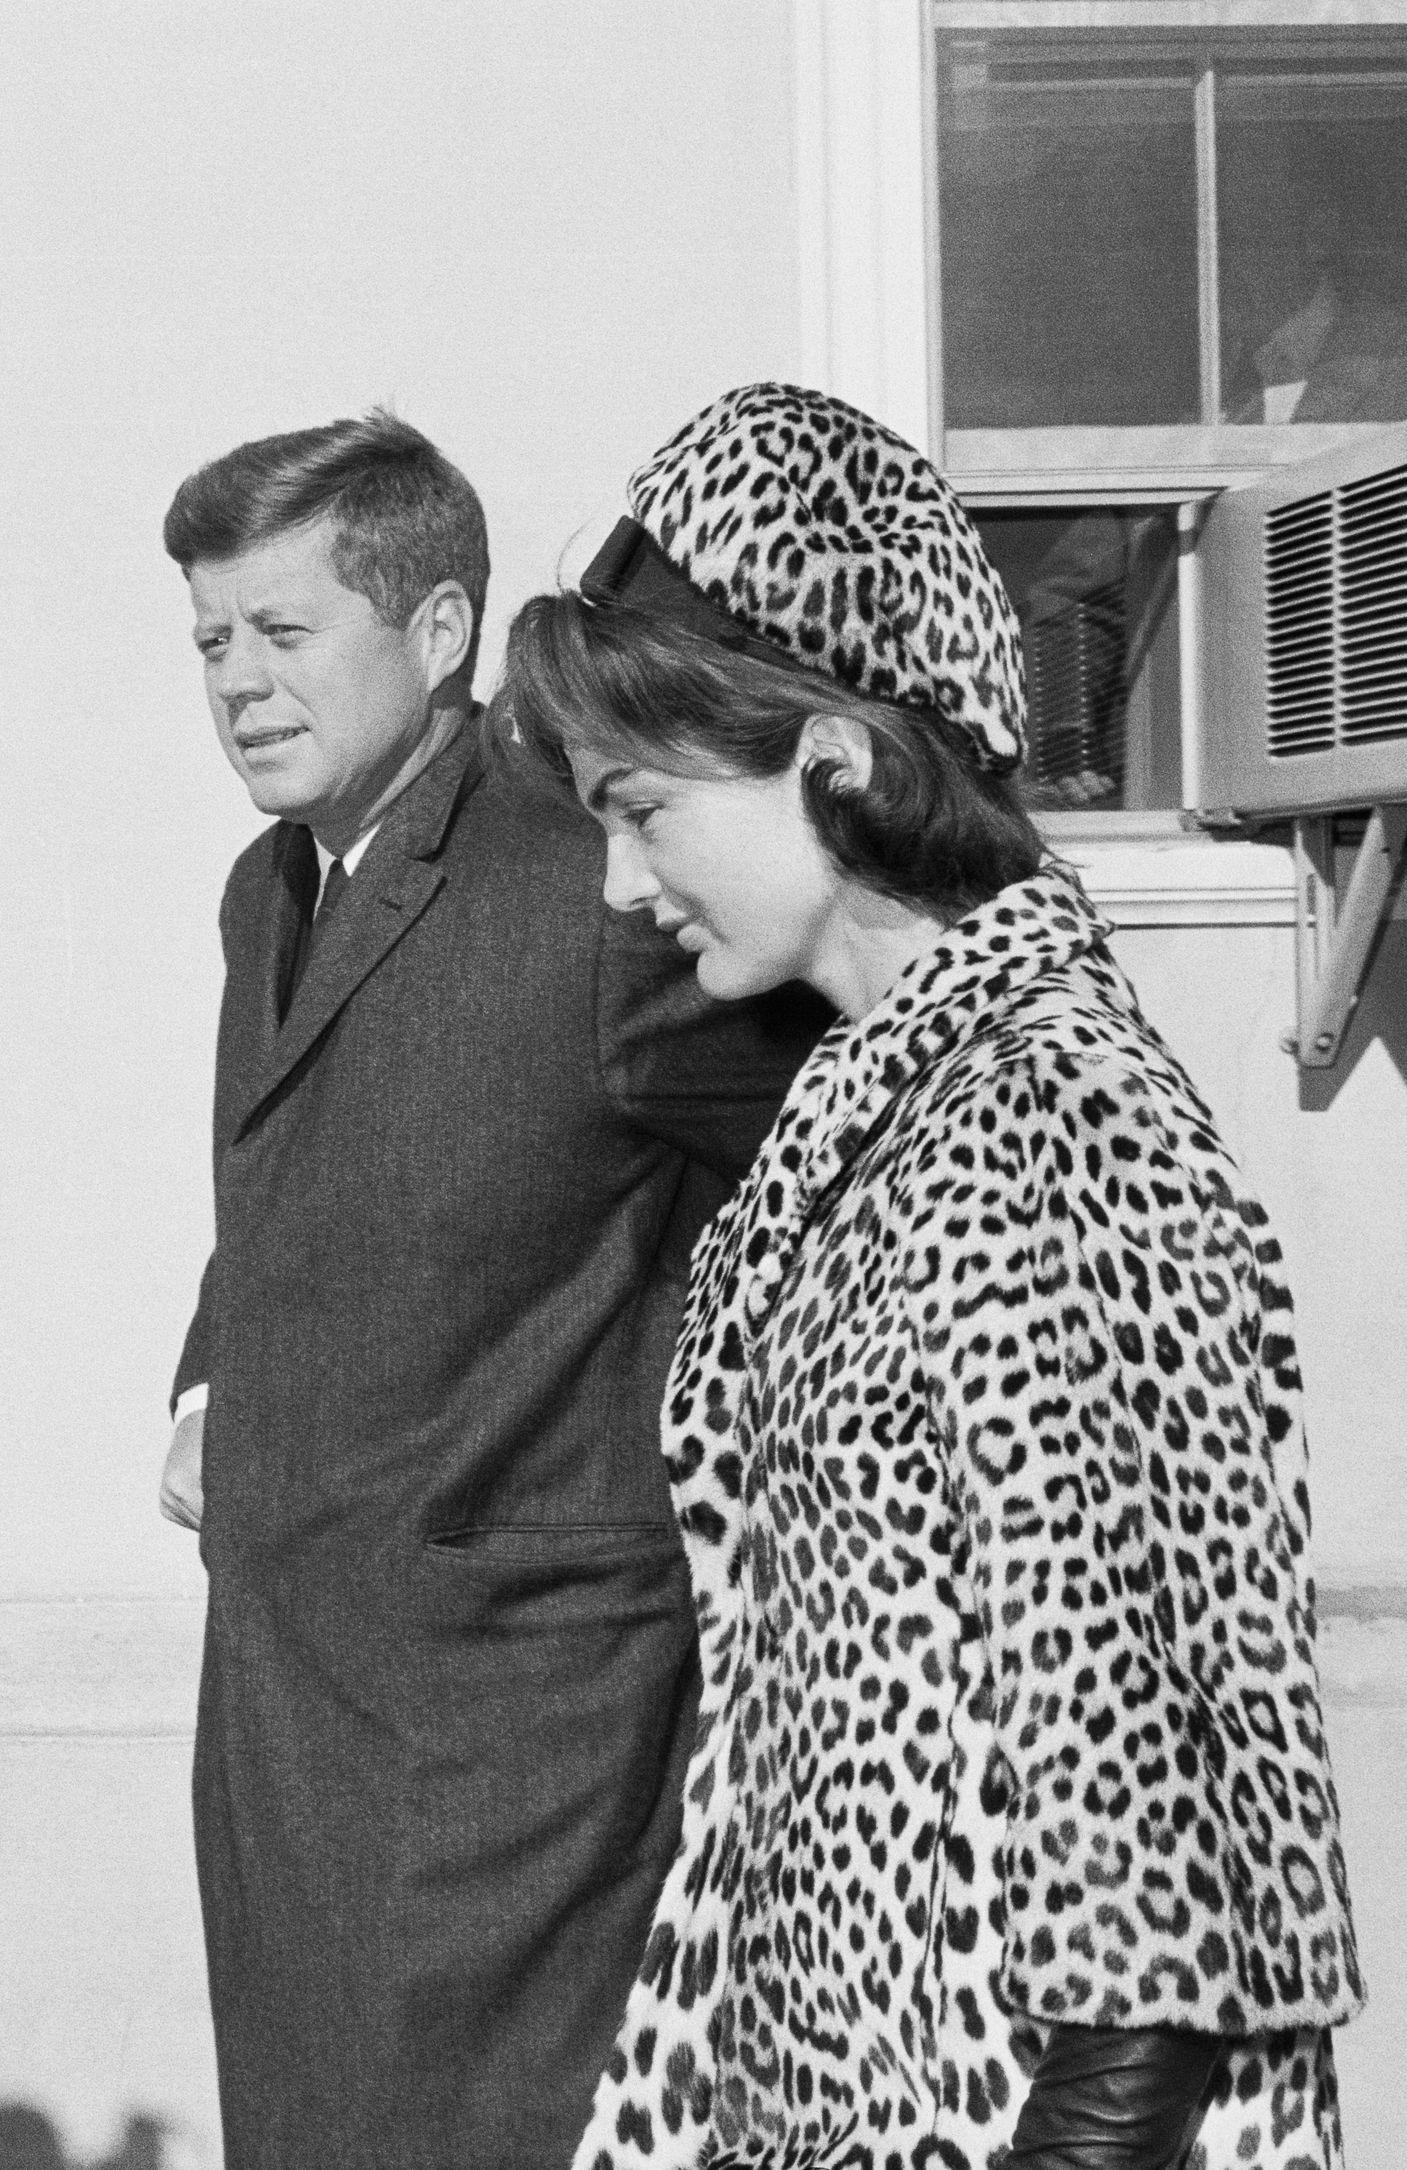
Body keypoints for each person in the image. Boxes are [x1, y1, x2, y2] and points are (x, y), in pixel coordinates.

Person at [494, 383, 1365, 2170]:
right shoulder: (881, 1112)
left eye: (644, 808)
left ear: (838, 760)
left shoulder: (1054, 1117)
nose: (619, 879)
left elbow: (1166, 1860)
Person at [158, 411, 824, 2170]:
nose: (236, 681)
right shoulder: (269, 887)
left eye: (283, 633)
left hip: (517, 1765)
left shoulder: (597, 872)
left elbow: (842, 1158)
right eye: (211, 640)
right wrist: (211, 1379)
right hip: (290, 1720)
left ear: (439, 630)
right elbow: (288, 1184)